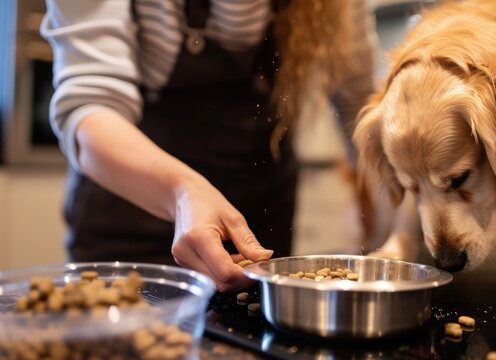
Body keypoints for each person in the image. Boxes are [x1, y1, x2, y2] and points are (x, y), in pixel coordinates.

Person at [41, 0, 376, 291]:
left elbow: (359, 105)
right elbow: (89, 106)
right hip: (132, 220)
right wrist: (183, 192)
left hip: (259, 221)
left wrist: (395, 226)